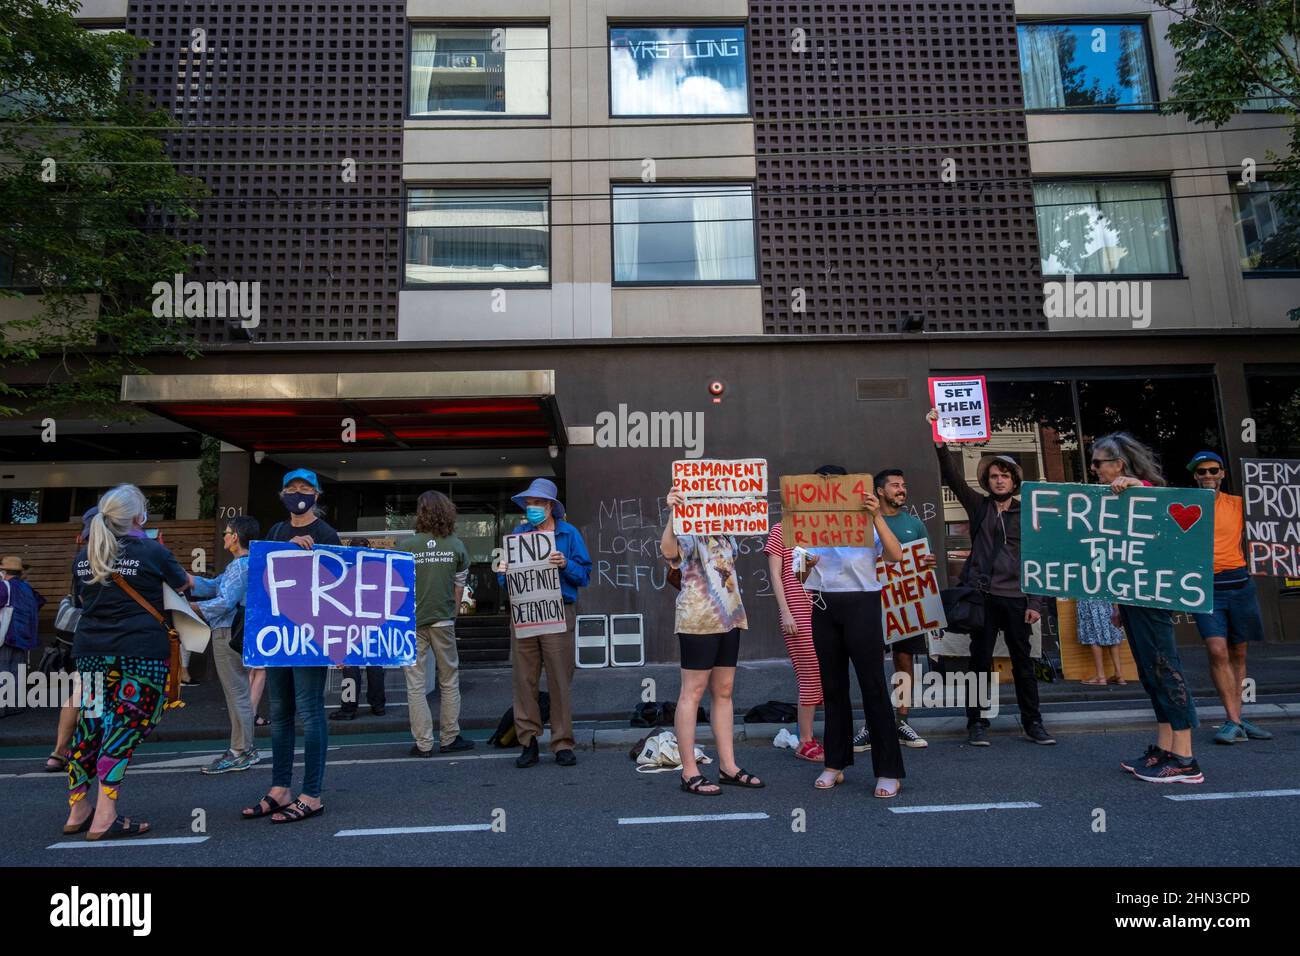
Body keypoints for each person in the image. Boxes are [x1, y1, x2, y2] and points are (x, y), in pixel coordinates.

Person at [62, 484, 193, 840]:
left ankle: (78, 808)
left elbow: (78, 600)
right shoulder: (152, 551)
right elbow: (184, 585)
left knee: (89, 725)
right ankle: (106, 814)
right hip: (140, 653)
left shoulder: (84, 556)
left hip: (89, 652)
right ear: (139, 517)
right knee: (126, 726)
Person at [928, 409, 1056, 747]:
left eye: (1005, 476)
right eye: (994, 476)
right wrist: (939, 438)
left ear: (1015, 480)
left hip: (1016, 598)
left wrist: (1036, 602)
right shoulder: (979, 507)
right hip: (982, 597)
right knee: (979, 662)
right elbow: (952, 477)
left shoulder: (1029, 511)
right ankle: (977, 722)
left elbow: (1038, 559)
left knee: (1023, 665)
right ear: (988, 482)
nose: (999, 480)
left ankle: (1034, 723)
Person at [1091, 434, 1203, 784]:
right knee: (1150, 672)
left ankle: (1185, 759)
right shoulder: (1118, 499)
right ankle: (1165, 747)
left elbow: (1163, 521)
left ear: (1118, 465)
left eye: (1098, 463)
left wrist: (1136, 485)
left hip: (1153, 600)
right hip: (1132, 599)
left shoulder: (1144, 492)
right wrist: (1118, 603)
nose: (1094, 469)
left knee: (1165, 668)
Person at [799, 465, 906, 798]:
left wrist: (876, 517)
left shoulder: (865, 520)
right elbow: (799, 576)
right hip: (823, 607)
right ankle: (834, 763)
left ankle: (888, 770)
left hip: (862, 605)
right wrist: (808, 564)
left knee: (873, 685)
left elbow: (895, 555)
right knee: (832, 688)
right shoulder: (807, 526)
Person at [241, 469, 339, 823]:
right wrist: (285, 551)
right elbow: (262, 577)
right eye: (292, 488)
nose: (299, 494)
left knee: (311, 713)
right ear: (282, 494)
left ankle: (311, 794)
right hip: (279, 636)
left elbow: (336, 588)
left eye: (306, 488)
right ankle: (280, 788)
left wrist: (339, 644)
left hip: (310, 638)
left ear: (317, 494)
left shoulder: (327, 534)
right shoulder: (277, 533)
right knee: (280, 712)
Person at [662, 486, 763, 795]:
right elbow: (668, 552)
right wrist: (672, 512)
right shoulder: (687, 529)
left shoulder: (726, 532)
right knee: (692, 692)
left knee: (724, 690)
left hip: (729, 615)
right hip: (697, 617)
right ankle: (689, 771)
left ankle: (728, 766)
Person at [497, 478, 591, 768]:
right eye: (529, 503)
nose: (532, 507)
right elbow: (505, 580)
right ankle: (528, 742)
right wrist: (503, 571)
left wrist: (565, 564)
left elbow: (585, 575)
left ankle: (562, 742)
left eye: (538, 503)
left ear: (551, 506)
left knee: (560, 680)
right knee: (524, 680)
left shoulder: (569, 534)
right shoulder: (518, 534)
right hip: (525, 613)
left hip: (559, 611)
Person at [1186, 450, 1273, 745]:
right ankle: (1233, 719)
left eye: (1213, 470)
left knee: (1239, 652)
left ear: (1222, 473)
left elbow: (1273, 523)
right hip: (1205, 588)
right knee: (1217, 650)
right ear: (1195, 477)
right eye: (1202, 472)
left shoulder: (1239, 504)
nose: (1208, 476)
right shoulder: (1184, 506)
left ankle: (1237, 719)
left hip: (1239, 584)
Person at [397, 491, 475, 756]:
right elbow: (459, 586)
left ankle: (423, 743)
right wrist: (452, 614)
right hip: (443, 620)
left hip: (412, 622)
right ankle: (450, 737)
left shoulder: (407, 546)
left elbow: (398, 587)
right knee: (449, 679)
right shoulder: (456, 545)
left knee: (415, 684)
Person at [191, 515, 260, 774]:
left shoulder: (240, 566)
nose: (224, 536)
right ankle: (243, 747)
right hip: (239, 631)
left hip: (226, 632)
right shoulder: (244, 564)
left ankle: (240, 750)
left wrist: (190, 607)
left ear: (235, 537)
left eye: (227, 532)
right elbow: (216, 585)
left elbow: (224, 602)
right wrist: (189, 581)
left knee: (237, 693)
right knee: (239, 691)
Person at [872, 468, 935, 749]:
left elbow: (924, 564)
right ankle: (874, 722)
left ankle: (902, 720)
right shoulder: (866, 523)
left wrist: (928, 562)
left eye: (904, 485)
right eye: (895, 485)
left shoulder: (915, 525)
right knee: (871, 662)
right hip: (873, 603)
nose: (902, 489)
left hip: (905, 605)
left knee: (905, 659)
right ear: (879, 491)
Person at [765, 519, 823, 761]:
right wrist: (785, 611)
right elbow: (776, 575)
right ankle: (805, 741)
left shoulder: (823, 529)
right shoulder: (781, 529)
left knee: (820, 673)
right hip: (797, 610)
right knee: (812, 673)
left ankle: (808, 737)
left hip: (824, 608)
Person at [331, 536, 387, 722]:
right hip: (373, 623)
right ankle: (378, 705)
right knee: (375, 665)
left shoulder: (344, 570)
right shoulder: (376, 570)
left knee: (349, 667)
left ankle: (348, 708)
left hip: (349, 624)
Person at [0, 555, 41, 718]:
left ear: (4, 571)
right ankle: (16, 705)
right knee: (17, 669)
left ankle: (2, 707)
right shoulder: (26, 587)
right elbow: (39, 602)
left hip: (8, 634)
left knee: (3, 670)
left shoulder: (4, 586)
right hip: (25, 635)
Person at [1076, 600, 1127, 685]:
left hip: (1089, 599)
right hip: (1107, 599)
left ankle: (1101, 676)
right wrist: (1116, 604)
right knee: (1112, 634)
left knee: (1093, 635)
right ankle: (1119, 675)